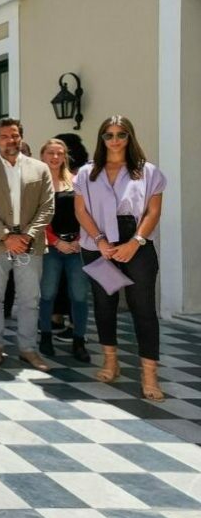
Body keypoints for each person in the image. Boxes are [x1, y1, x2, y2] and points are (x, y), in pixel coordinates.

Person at [74, 116, 166, 401]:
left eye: (121, 134)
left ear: (130, 137)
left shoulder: (148, 172)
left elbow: (153, 212)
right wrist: (100, 241)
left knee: (144, 309)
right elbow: (81, 211)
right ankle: (110, 362)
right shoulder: (87, 173)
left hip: (136, 244)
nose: (114, 140)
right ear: (101, 139)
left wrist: (135, 243)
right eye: (108, 135)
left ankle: (149, 374)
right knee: (104, 305)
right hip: (98, 245)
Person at [0, 118, 55, 371]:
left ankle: (28, 349)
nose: (12, 140)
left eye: (15, 135)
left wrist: (27, 236)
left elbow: (47, 207)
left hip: (30, 244)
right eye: (6, 136)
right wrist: (7, 236)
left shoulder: (40, 169)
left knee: (30, 298)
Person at [38, 138, 91, 363]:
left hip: (76, 246)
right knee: (47, 294)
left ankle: (79, 340)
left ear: (65, 156)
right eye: (50, 152)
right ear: (43, 156)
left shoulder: (77, 181)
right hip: (50, 247)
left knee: (79, 296)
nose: (55, 157)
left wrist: (81, 239)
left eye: (60, 153)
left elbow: (86, 213)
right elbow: (35, 218)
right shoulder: (36, 183)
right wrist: (55, 241)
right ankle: (46, 336)